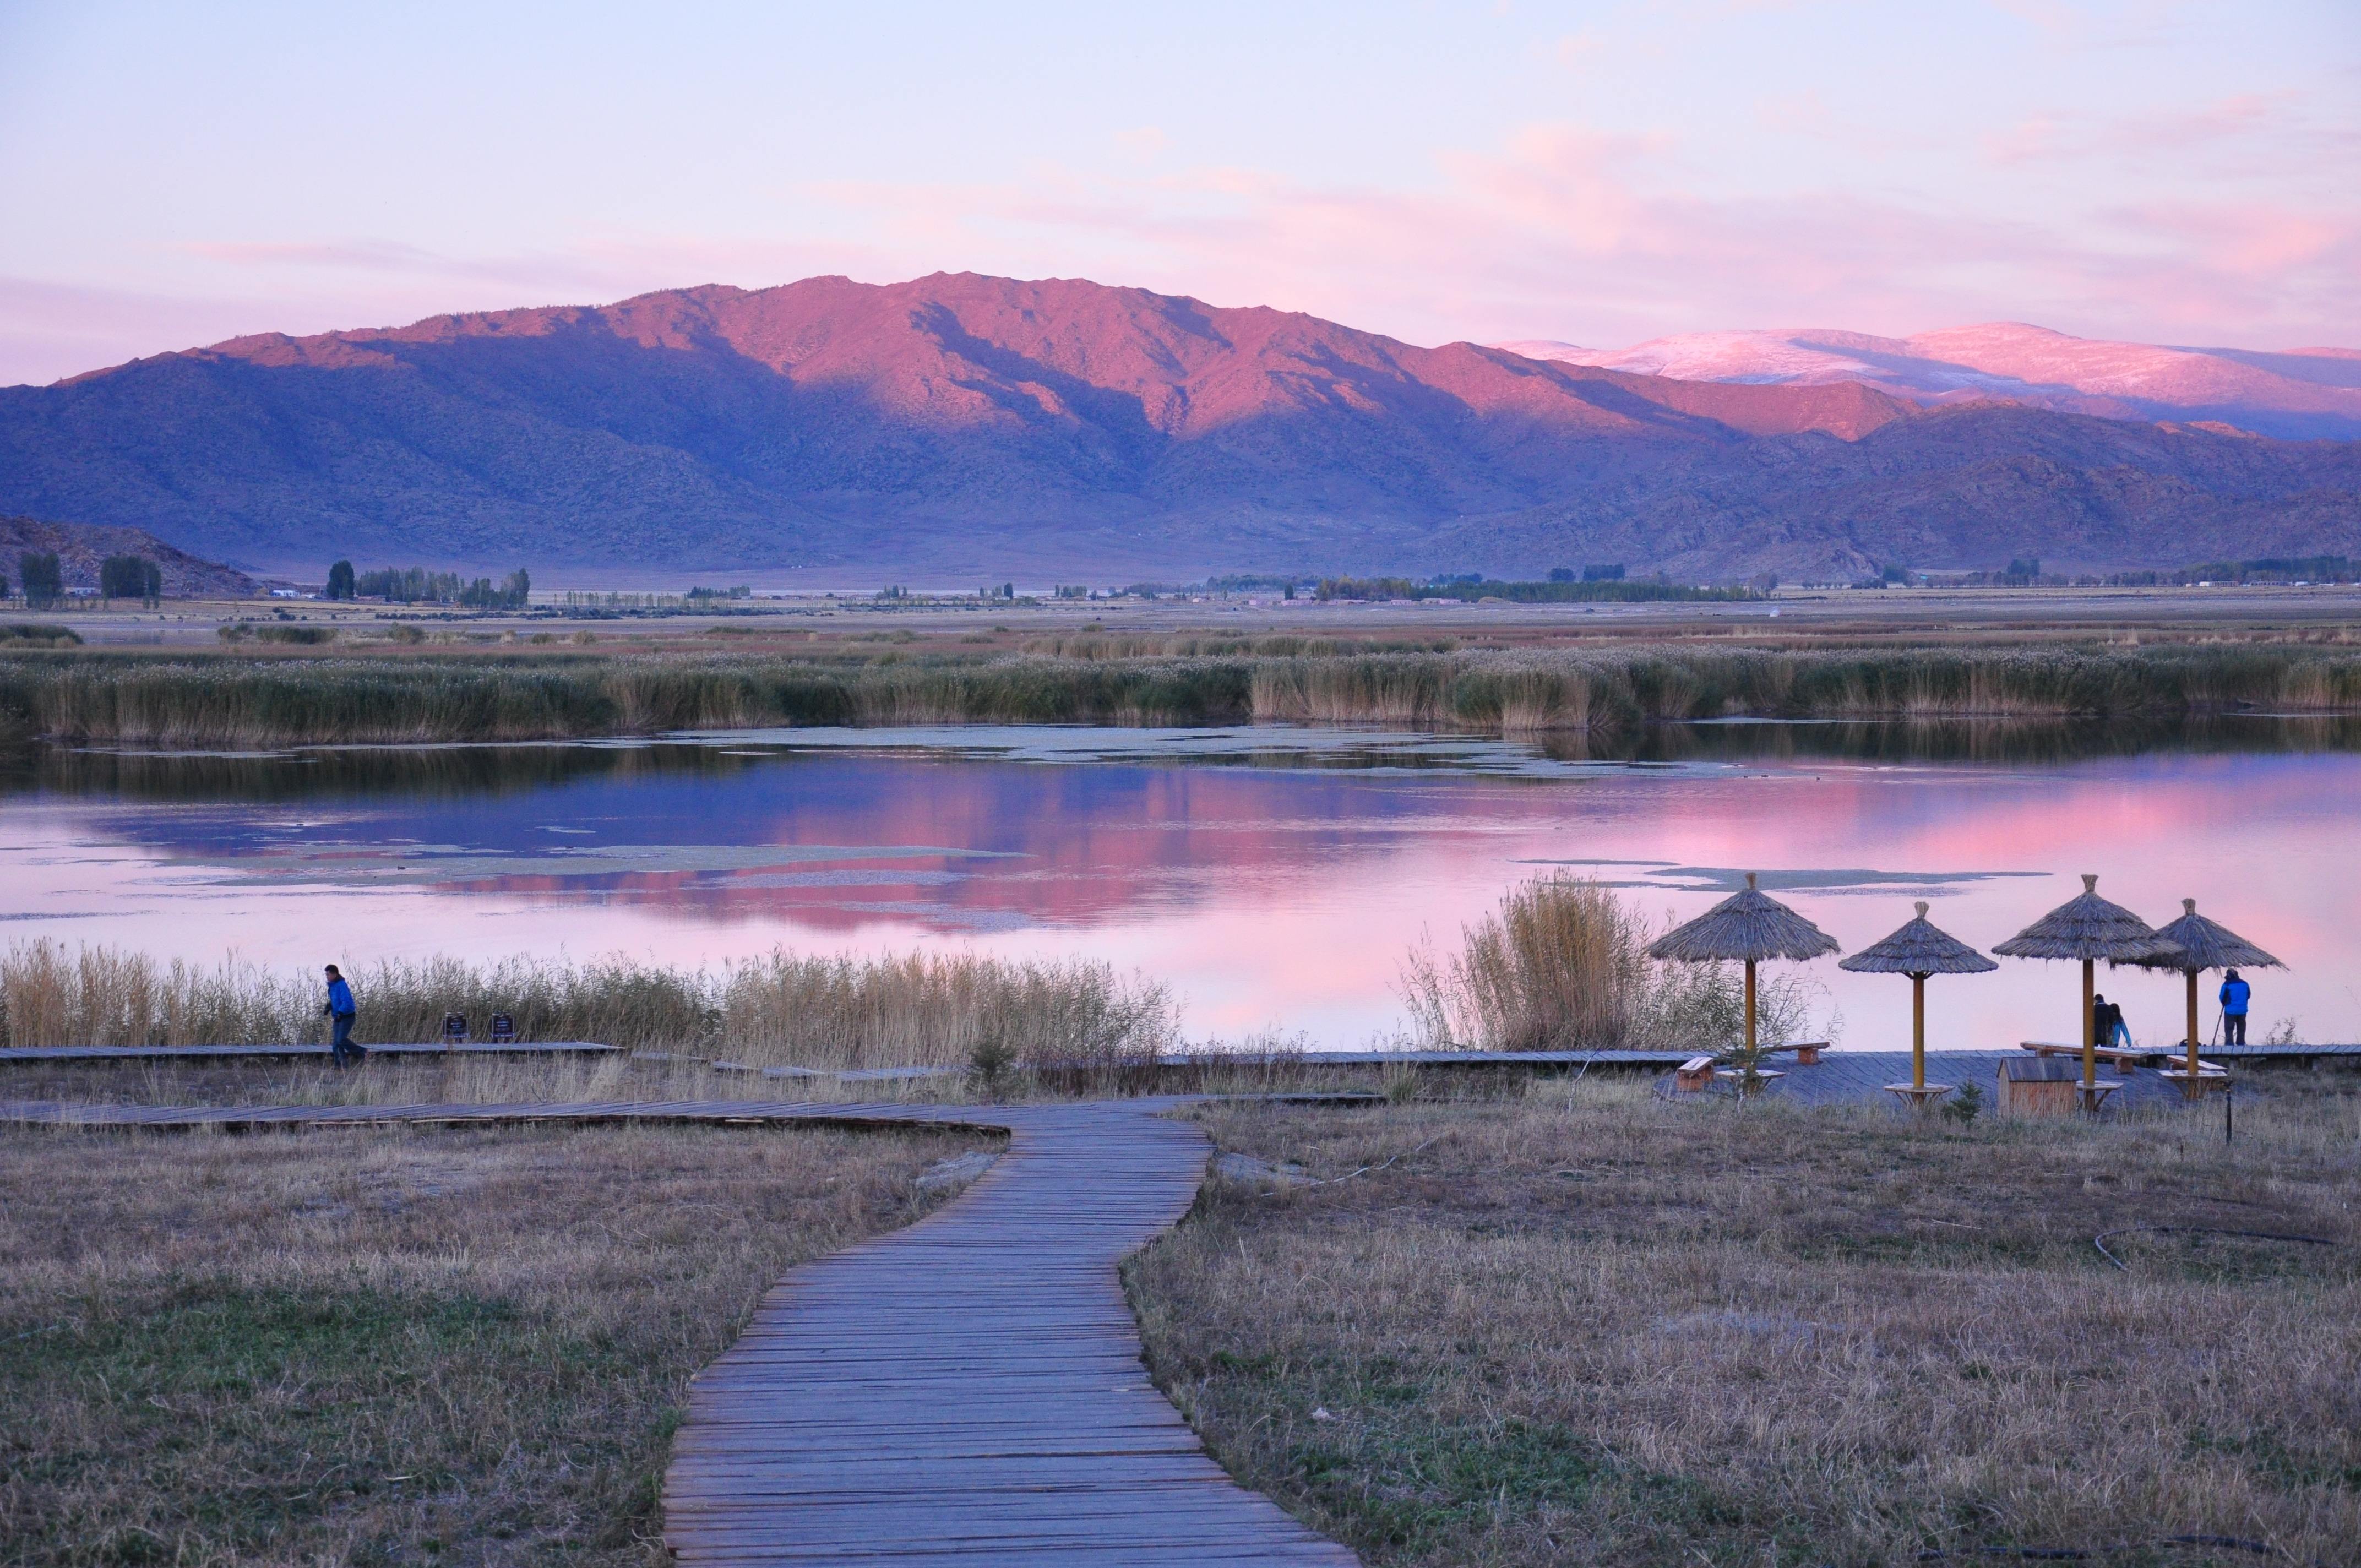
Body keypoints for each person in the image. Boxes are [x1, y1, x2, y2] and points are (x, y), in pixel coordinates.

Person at [323, 964, 365, 1067]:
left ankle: (363, 1053)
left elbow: (347, 1001)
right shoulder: (332, 987)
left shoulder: (342, 985)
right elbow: (336, 1001)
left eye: (328, 975)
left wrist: (341, 1012)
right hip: (338, 1017)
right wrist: (329, 1007)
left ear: (334, 974)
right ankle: (340, 1066)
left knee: (341, 1040)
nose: (327, 977)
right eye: (326, 975)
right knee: (336, 1044)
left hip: (347, 1016)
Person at [2219, 968, 2251, 1046]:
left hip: (2230, 1010)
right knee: (2241, 1028)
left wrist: (2225, 1003)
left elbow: (2222, 997)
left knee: (2229, 1028)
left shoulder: (2227, 984)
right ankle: (2241, 1043)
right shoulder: (2245, 984)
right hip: (2243, 1010)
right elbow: (2248, 995)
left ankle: (2229, 1044)